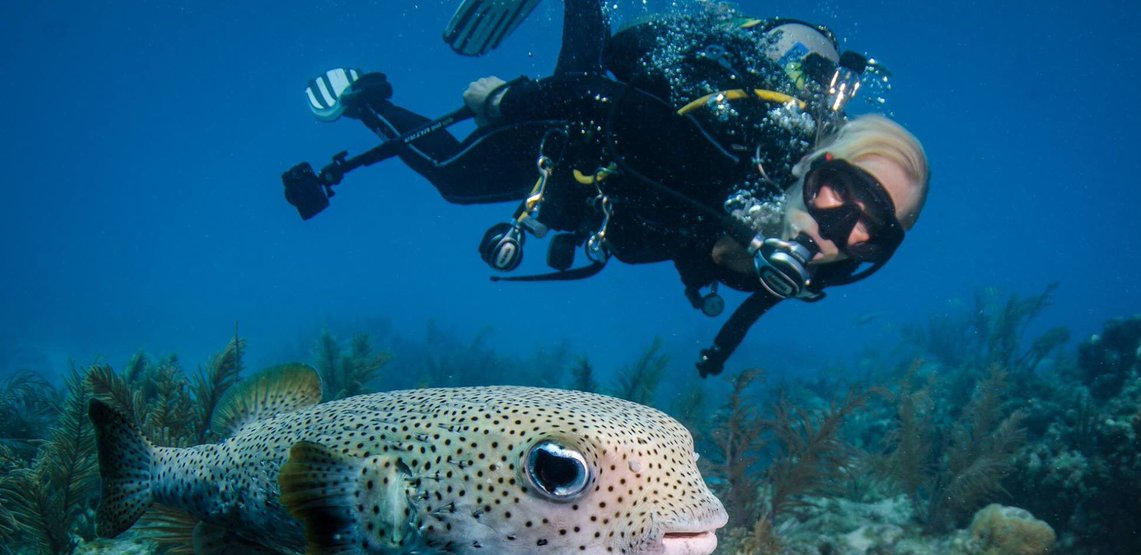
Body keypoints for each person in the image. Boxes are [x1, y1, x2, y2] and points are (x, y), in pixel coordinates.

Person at [283, 0, 929, 376]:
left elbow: (755, 300)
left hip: (611, 194)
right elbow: (601, 99)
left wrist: (719, 350)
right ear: (811, 169)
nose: (839, 229)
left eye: (874, 230)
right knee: (458, 177)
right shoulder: (716, 158)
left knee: (479, 173)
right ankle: (362, 101)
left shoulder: (801, 267)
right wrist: (509, 101)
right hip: (603, 125)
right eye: (840, 190)